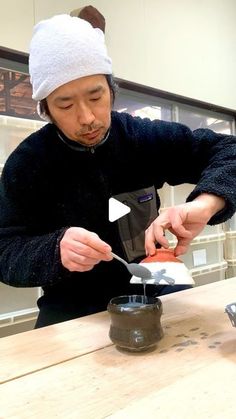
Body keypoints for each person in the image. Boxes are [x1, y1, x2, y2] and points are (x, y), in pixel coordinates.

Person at [0, 13, 235, 328]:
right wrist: (54, 250)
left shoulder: (141, 137)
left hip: (153, 282)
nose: (87, 118)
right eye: (66, 106)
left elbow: (229, 150)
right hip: (71, 303)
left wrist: (205, 204)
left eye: (96, 97)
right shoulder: (28, 163)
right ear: (46, 109)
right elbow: (5, 251)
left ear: (111, 90)